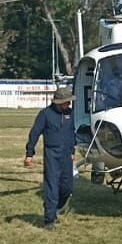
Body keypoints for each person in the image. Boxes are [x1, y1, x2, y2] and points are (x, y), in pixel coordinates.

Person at [24, 86, 77, 230]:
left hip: (66, 154)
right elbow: (34, 133)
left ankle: (56, 207)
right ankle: (49, 219)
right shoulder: (45, 114)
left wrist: (72, 150)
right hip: (51, 154)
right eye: (67, 102)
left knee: (67, 188)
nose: (69, 104)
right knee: (51, 186)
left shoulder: (70, 114)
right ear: (58, 102)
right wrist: (30, 153)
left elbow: (72, 132)